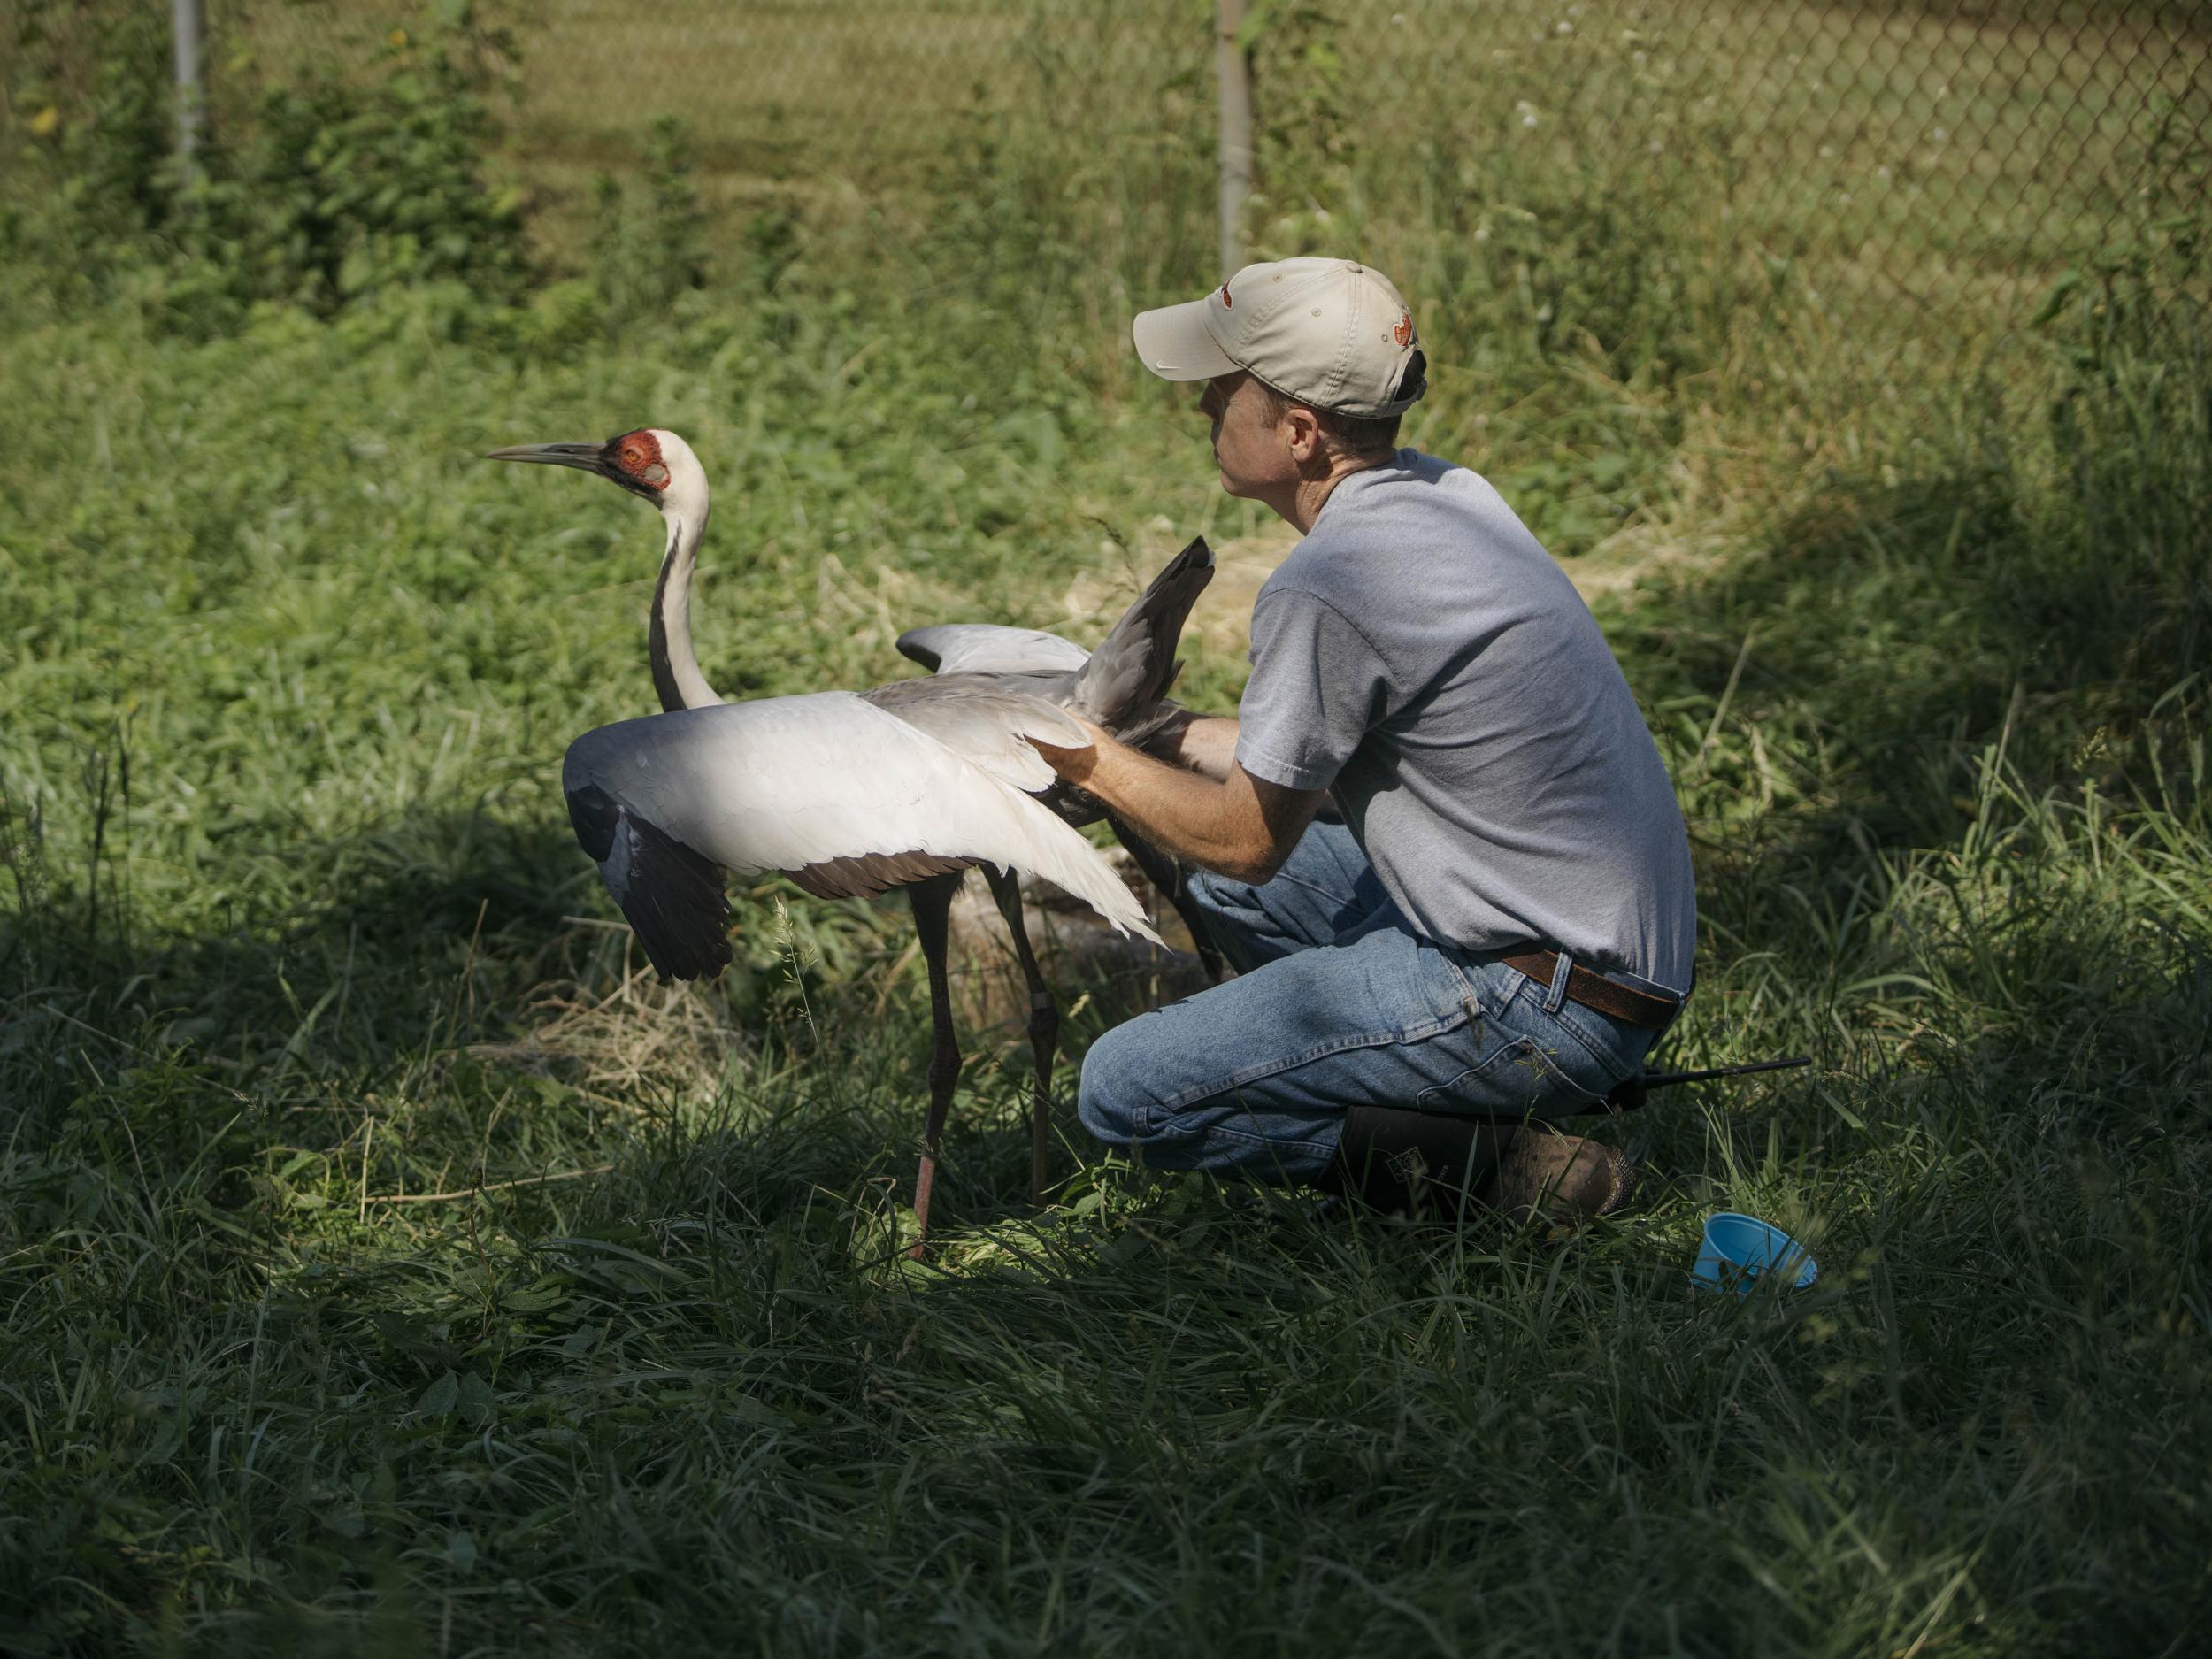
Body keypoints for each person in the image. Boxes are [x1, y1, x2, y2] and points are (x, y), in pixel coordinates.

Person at [1031, 257, 1697, 1220]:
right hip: (1612, 964)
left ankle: (1495, 1174)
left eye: (1219, 396)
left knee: (1127, 1091)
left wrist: (1081, 756)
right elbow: (1293, 764)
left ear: (1297, 433)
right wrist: (1162, 736)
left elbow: (1246, 841)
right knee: (1207, 877)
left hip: (1541, 1004)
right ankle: (1400, 1091)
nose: (1199, 415)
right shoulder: (1445, 497)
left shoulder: (1329, 584)